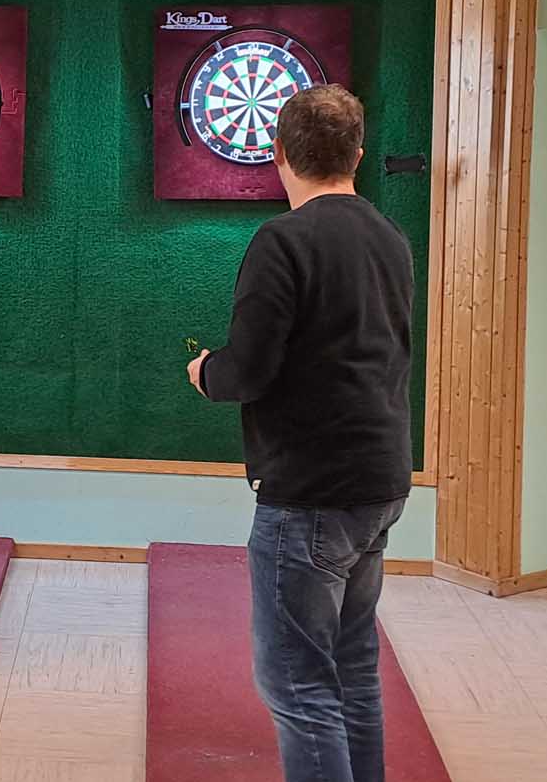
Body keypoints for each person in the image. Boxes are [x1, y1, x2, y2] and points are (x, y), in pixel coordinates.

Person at [185, 84, 414, 782]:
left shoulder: (282, 241)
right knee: (353, 669)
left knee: (298, 685)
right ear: (359, 155)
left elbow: (250, 369)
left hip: (311, 491)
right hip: (380, 481)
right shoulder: (390, 237)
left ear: (277, 151)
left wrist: (206, 372)